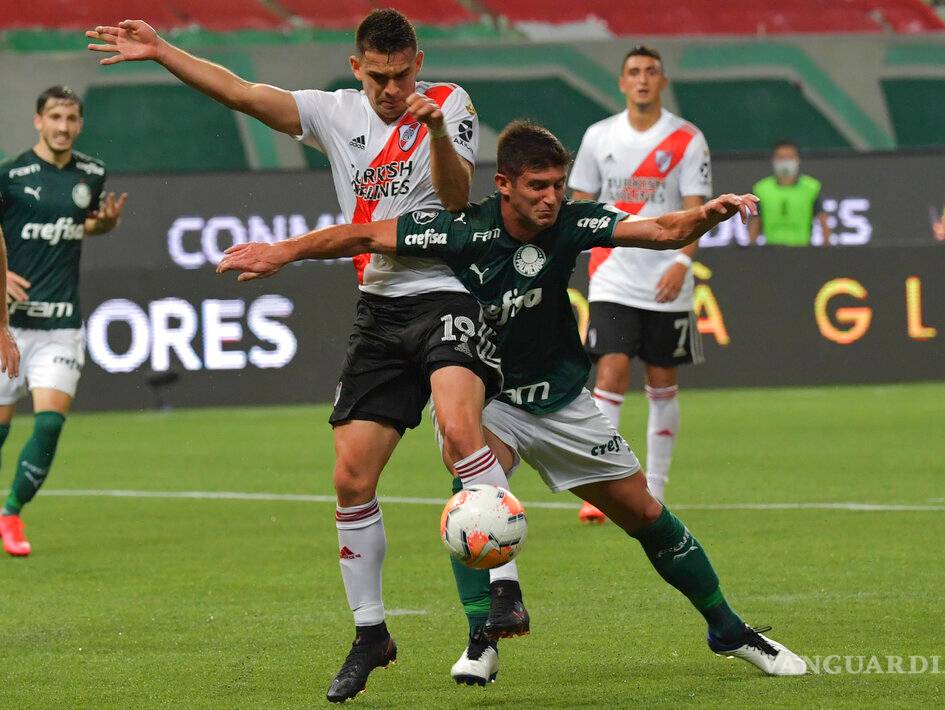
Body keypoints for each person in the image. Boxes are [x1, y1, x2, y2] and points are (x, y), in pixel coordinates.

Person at [218, 120, 808, 677]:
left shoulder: (571, 224)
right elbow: (367, 233)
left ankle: (728, 629)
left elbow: (657, 230)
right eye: (537, 187)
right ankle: (483, 639)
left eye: (556, 185)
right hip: (493, 398)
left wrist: (705, 215)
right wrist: (285, 250)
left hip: (562, 399)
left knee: (645, 514)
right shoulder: (462, 230)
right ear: (503, 184)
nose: (551, 198)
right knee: (466, 471)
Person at [87, 10, 527, 700]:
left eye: (402, 74)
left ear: (420, 62)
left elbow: (453, 197)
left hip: (447, 291)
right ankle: (370, 632)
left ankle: (503, 586)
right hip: (381, 312)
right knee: (351, 477)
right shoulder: (333, 112)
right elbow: (239, 92)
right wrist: (161, 49)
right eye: (378, 77)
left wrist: (434, 127)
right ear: (356, 69)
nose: (390, 89)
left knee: (459, 427)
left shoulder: (449, 104)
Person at [569, 45, 712, 522]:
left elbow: (698, 212)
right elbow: (579, 202)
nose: (643, 79)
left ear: (663, 81)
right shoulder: (598, 136)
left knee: (661, 382)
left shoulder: (688, 139)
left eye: (652, 71)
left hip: (667, 279)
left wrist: (683, 264)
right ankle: (607, 491)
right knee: (609, 372)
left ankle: (654, 490)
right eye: (634, 72)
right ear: (622, 83)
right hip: (613, 275)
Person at [0, 86, 127, 557]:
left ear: (80, 124)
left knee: (50, 424)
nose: (63, 127)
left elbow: (81, 222)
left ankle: (11, 513)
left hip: (61, 323)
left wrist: (106, 226)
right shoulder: (10, 175)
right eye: (55, 117)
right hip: (7, 325)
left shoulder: (91, 173)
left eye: (71, 118)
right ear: (38, 120)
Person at [748, 140, 831, 247]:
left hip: (802, 250)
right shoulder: (761, 189)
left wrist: (825, 251)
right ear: (773, 160)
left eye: (789, 158)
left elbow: (823, 220)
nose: (785, 162)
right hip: (771, 251)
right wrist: (751, 249)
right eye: (781, 158)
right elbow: (755, 221)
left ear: (797, 160)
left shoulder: (811, 188)